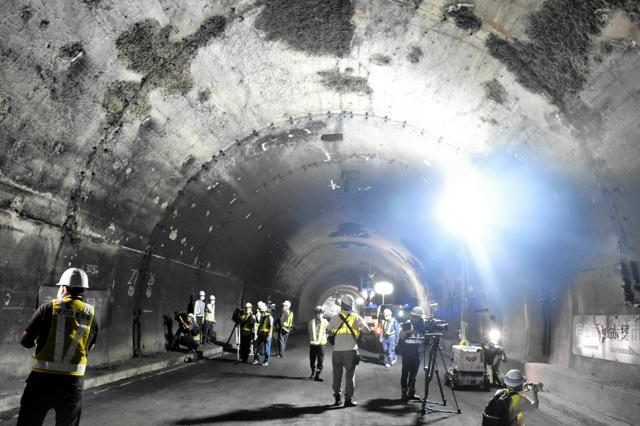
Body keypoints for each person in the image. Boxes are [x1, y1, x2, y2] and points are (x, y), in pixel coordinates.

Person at [17, 268, 99, 426]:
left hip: (41, 381)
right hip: (72, 384)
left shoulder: (47, 308)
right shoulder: (92, 315)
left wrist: (37, 342)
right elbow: (90, 346)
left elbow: (25, 341)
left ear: (65, 288)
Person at [326, 294, 370, 407]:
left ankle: (337, 398)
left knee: (337, 376)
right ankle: (348, 400)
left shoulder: (335, 317)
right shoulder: (355, 317)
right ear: (351, 305)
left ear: (341, 305)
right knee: (350, 376)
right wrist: (359, 326)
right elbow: (367, 330)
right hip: (350, 351)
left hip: (337, 352)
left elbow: (328, 330)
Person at [399, 306, 426, 402]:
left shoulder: (422, 325)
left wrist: (423, 343)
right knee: (405, 372)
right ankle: (404, 392)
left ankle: (411, 392)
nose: (417, 319)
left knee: (414, 373)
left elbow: (425, 337)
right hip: (407, 351)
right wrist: (411, 331)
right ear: (412, 315)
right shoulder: (407, 323)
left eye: (419, 317)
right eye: (416, 317)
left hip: (416, 351)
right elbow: (401, 335)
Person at [308, 306, 328, 381]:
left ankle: (317, 375)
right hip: (313, 344)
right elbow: (310, 332)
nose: (319, 314)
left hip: (321, 345)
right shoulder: (311, 322)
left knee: (320, 361)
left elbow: (328, 332)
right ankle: (313, 372)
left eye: (321, 313)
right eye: (318, 313)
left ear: (323, 313)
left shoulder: (326, 322)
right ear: (315, 314)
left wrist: (324, 337)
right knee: (312, 361)